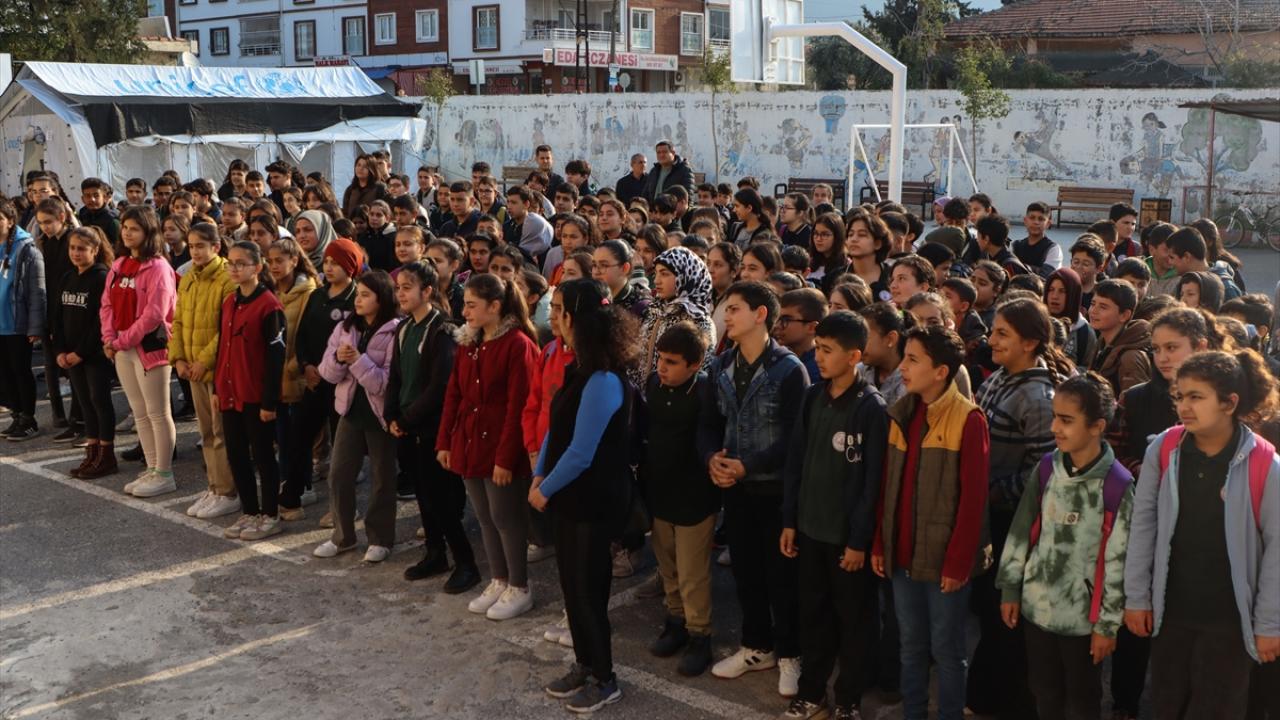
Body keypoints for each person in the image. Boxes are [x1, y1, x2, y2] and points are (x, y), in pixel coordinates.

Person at [1124, 350, 1280, 720]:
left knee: (1216, 708)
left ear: (1230, 403)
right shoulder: (1164, 449)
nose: (1183, 406)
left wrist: (1269, 623)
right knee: (1166, 703)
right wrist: (1136, 596)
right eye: (1179, 396)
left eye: (1196, 397)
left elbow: (1276, 551)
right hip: (1171, 612)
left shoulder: (1264, 464)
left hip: (1229, 622)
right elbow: (1143, 523)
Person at [997, 373, 1134, 720]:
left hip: (1083, 621)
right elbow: (1020, 532)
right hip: (1037, 609)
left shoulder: (1117, 485)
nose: (1055, 427)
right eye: (1055, 416)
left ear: (1097, 426)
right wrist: (1011, 588)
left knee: (1083, 700)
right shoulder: (1046, 469)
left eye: (1067, 420)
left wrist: (1107, 624)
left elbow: (1118, 562)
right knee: (1044, 692)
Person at [871, 325, 990, 720]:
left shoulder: (969, 419)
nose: (902, 366)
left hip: (944, 562)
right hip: (903, 554)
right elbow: (887, 488)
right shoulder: (902, 413)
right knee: (910, 645)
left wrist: (958, 564)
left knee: (948, 650)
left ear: (941, 371)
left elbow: (974, 503)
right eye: (904, 357)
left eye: (913, 359)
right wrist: (879, 544)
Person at [531, 279, 638, 713]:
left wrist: (545, 488)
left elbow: (581, 451)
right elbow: (556, 430)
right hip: (568, 499)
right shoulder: (579, 369)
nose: (553, 316)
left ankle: (604, 677)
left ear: (576, 317)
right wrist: (540, 475)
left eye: (559, 308)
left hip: (593, 501)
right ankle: (584, 663)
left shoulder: (605, 379)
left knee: (590, 592)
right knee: (571, 588)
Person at [701, 281, 810, 697]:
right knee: (746, 573)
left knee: (781, 576)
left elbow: (794, 439)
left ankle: (789, 654)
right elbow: (708, 425)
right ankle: (756, 645)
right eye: (726, 310)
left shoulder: (788, 369)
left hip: (775, 491)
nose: (726, 317)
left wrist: (750, 464)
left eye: (734, 309)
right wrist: (711, 458)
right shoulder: (720, 367)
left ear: (761, 314)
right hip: (736, 489)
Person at [779, 311, 888, 720]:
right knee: (814, 616)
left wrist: (859, 541)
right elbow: (796, 463)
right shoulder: (813, 397)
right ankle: (812, 693)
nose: (819, 358)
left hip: (847, 542)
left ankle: (848, 700)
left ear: (855, 356)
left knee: (854, 624)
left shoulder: (870, 408)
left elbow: (871, 484)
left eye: (828, 351)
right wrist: (790, 519)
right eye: (818, 349)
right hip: (810, 530)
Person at [967, 298, 1067, 719]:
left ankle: (1010, 702)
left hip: (1014, 521)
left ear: (1031, 342)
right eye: (994, 331)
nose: (992, 339)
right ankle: (986, 695)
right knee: (990, 614)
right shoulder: (999, 379)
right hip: (989, 515)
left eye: (1003, 334)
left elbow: (1042, 471)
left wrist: (993, 492)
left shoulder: (1039, 396)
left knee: (1007, 618)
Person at [437, 273, 539, 620]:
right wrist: (445, 440)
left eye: (471, 305)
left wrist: (506, 457)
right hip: (469, 441)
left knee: (506, 517)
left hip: (498, 444)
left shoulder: (517, 345)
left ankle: (519, 585)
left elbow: (518, 405)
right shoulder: (469, 342)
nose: (464, 311)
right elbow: (453, 394)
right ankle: (498, 578)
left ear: (494, 306)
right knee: (484, 515)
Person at [385, 261, 480, 593]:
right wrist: (391, 415)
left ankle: (465, 562)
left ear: (427, 291)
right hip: (408, 425)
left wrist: (408, 418)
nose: (401, 294)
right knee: (423, 496)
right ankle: (435, 553)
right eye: (398, 288)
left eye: (407, 287)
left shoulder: (441, 331)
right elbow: (396, 376)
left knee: (440, 498)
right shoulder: (405, 328)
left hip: (433, 428)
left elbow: (440, 386)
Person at [638, 322, 720, 677]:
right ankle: (676, 621)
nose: (662, 368)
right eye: (660, 359)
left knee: (692, 574)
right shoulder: (654, 385)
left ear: (696, 363)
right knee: (667, 566)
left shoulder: (705, 393)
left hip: (694, 500)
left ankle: (700, 636)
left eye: (672, 362)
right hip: (659, 493)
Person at [312, 270, 401, 561]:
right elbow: (326, 372)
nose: (358, 301)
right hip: (349, 411)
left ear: (382, 298)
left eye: (365, 295)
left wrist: (358, 360)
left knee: (381, 478)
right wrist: (339, 358)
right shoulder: (346, 327)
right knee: (339, 475)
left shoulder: (395, 330)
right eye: (358, 294)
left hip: (379, 415)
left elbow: (383, 383)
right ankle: (342, 537)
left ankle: (380, 538)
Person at [279, 237, 361, 518]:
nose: (329, 267)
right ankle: (292, 497)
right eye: (326, 262)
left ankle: (340, 508)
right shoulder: (317, 295)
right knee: (299, 437)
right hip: (314, 380)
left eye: (336, 263)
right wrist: (306, 366)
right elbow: (301, 335)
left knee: (342, 448)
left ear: (350, 267)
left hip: (343, 383)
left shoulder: (356, 299)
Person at [101, 206, 178, 497]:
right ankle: (151, 468)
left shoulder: (158, 267)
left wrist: (121, 340)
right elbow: (106, 304)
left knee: (158, 413)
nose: (127, 232)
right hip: (122, 346)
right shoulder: (119, 263)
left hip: (149, 347)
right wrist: (109, 337)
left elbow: (155, 313)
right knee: (140, 412)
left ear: (148, 232)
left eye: (134, 228)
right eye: (124, 227)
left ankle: (165, 473)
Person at [216, 241, 287, 541]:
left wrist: (269, 401)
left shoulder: (269, 306)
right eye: (230, 262)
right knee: (236, 455)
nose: (234, 268)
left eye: (241, 263)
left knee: (262, 456)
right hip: (230, 392)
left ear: (257, 267)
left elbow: (276, 359)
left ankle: (270, 514)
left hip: (256, 396)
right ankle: (249, 511)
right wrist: (218, 385)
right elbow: (223, 347)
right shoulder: (230, 301)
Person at [168, 223, 239, 517]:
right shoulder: (188, 278)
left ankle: (228, 491)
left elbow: (226, 328)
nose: (195, 251)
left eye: (201, 246)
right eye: (192, 245)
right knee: (206, 431)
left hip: (217, 368)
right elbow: (179, 320)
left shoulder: (226, 279)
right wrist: (179, 359)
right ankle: (214, 485)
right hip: (193, 368)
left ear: (216, 247)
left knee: (222, 432)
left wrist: (203, 362)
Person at [53, 227, 116, 477]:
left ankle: (106, 454)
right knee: (85, 404)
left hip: (93, 355)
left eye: (82, 248)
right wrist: (60, 350)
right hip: (70, 355)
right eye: (72, 248)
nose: (76, 253)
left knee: (100, 401)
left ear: (95, 250)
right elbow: (56, 318)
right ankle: (91, 452)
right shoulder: (68, 277)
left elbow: (99, 322)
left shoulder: (102, 277)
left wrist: (80, 352)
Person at [637, 246, 715, 384]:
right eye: (656, 273)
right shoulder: (656, 311)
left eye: (665, 274)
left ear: (685, 276)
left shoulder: (698, 322)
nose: (656, 281)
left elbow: (698, 374)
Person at [0, 198, 44, 441]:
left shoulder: (26, 248)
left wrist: (35, 325)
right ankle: (17, 415)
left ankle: (29, 418)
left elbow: (37, 290)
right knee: (4, 373)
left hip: (17, 323)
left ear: (10, 221)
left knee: (20, 371)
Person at [34, 197, 78, 436]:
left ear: (62, 217)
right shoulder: (44, 242)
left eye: (48, 222)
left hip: (71, 306)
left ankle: (77, 418)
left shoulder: (73, 239)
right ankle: (58, 415)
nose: (45, 227)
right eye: (41, 223)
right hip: (49, 308)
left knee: (71, 365)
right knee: (51, 363)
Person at [1089, 279, 1151, 394]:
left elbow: (1133, 405)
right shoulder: (1103, 342)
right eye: (1093, 304)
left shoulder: (1130, 358)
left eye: (1103, 307)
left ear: (1124, 315)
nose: (1093, 311)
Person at [1045, 268, 1098, 368]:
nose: (1055, 296)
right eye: (1051, 290)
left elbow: (1088, 369)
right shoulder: (1035, 323)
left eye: (1062, 291)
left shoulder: (1084, 332)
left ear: (1073, 295)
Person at [774, 288, 826, 382]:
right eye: (777, 319)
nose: (777, 326)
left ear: (812, 327)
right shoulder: (775, 359)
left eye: (786, 320)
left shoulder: (819, 369)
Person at [591, 240, 650, 319]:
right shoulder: (592, 300)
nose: (596, 272)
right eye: (594, 265)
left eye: (604, 265)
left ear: (625, 268)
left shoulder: (641, 307)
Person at [504, 186, 553, 262]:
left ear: (526, 204)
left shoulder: (536, 230)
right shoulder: (506, 226)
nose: (509, 206)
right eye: (508, 202)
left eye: (514, 203)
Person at [1012, 202, 1060, 278]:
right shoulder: (1016, 245)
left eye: (1041, 219)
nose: (1036, 222)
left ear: (1048, 224)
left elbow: (1046, 277)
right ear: (1025, 220)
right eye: (1032, 218)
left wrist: (1021, 269)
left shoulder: (1052, 249)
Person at [808, 213, 850, 295]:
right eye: (816, 233)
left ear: (837, 236)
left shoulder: (847, 266)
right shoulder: (809, 262)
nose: (818, 239)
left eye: (825, 234)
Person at [77, 177, 120, 249]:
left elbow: (119, 245)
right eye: (88, 196)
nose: (92, 199)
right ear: (83, 199)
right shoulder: (83, 213)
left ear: (104, 197)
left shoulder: (112, 219)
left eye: (96, 195)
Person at [341, 153, 388, 218]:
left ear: (372, 169)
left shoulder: (380, 188)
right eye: (358, 165)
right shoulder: (350, 190)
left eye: (365, 166)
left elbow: (385, 211)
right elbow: (345, 213)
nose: (361, 168)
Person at [1069, 235, 1106, 311]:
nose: (1079, 267)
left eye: (1086, 264)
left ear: (1099, 268)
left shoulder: (1102, 294)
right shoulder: (1064, 289)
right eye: (1076, 262)